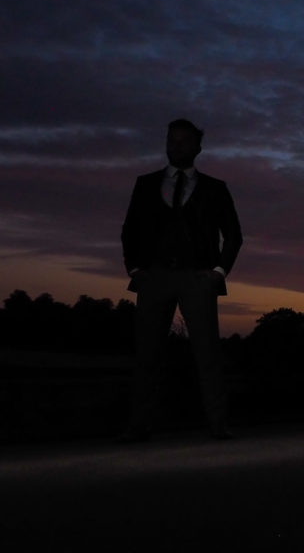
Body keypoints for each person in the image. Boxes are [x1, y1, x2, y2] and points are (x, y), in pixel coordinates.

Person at [119, 119, 243, 440]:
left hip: (197, 279)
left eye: (183, 141)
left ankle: (219, 425)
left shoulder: (215, 189)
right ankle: (137, 426)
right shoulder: (145, 184)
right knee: (146, 354)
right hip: (154, 278)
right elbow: (129, 230)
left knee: (208, 355)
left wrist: (217, 274)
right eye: (171, 140)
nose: (176, 146)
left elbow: (233, 235)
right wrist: (136, 272)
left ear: (197, 147)